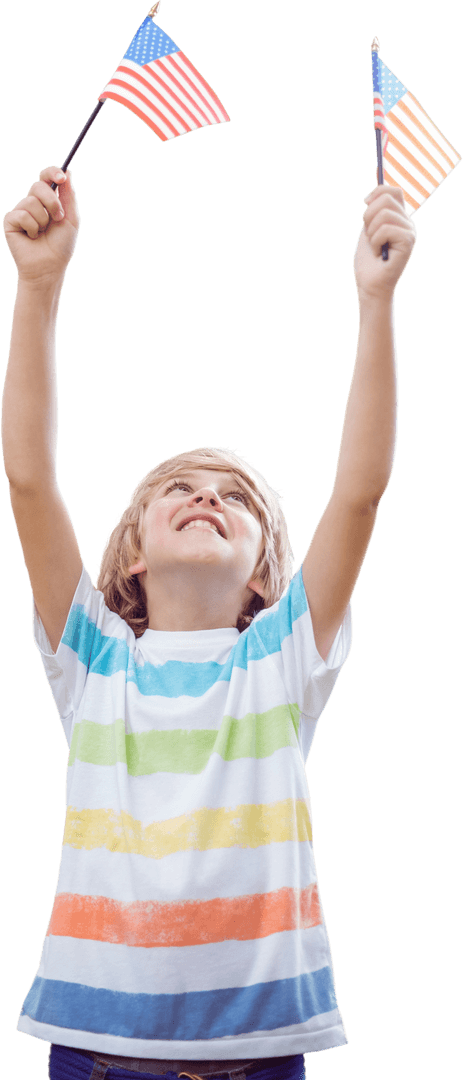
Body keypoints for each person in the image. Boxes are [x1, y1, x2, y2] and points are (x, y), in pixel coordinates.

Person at [2, 165, 416, 1080]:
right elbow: (29, 477)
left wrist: (375, 300)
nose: (205, 498)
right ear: (133, 555)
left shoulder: (279, 660)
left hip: (258, 1055)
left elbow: (360, 490)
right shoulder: (94, 656)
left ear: (266, 565)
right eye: (176, 491)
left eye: (235, 497)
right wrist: (38, 287)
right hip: (95, 1052)